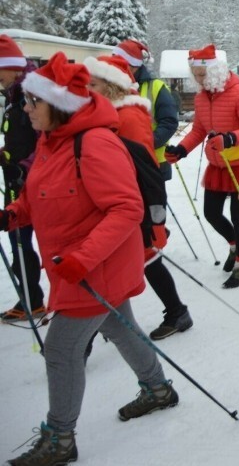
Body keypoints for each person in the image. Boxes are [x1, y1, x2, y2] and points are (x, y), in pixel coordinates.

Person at [4, 53, 178, 466]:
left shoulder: (95, 142)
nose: (25, 109)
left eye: (33, 101)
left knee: (60, 350)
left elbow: (126, 208)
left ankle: (60, 439)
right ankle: (158, 389)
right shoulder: (52, 141)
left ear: (58, 104)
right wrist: (14, 214)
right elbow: (42, 194)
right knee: (120, 327)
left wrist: (83, 258)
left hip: (94, 268)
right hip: (76, 265)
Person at [84, 54, 193, 340]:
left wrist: (151, 216)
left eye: (93, 84)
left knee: (144, 257)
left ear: (111, 86)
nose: (87, 90)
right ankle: (105, 326)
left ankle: (176, 312)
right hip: (114, 199)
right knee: (126, 260)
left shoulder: (127, 117)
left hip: (131, 200)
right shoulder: (106, 113)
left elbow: (143, 167)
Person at [165, 45, 239, 289]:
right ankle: (234, 245)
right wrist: (182, 149)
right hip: (218, 165)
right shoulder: (201, 98)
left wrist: (230, 138)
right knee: (211, 213)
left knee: (238, 217)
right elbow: (199, 130)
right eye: (195, 74)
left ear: (215, 71)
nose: (199, 78)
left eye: (203, 73)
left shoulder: (238, 93)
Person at [0, 34, 44, 321]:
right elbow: (19, 137)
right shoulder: (14, 93)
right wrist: (7, 154)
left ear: (11, 66)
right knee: (18, 236)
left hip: (32, 179)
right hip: (16, 176)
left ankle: (37, 300)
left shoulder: (32, 91)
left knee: (24, 238)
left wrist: (25, 166)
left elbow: (46, 140)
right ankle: (31, 299)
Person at [113, 39, 179, 181]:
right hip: (122, 160)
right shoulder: (112, 87)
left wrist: (146, 143)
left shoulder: (156, 87)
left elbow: (169, 122)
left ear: (132, 66)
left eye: (118, 63)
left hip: (153, 160)